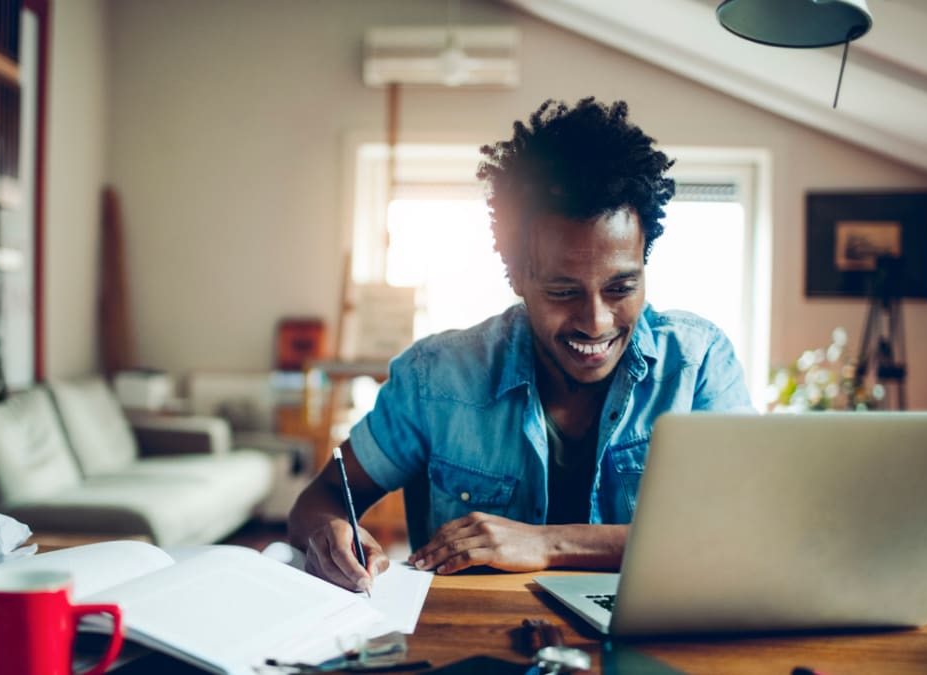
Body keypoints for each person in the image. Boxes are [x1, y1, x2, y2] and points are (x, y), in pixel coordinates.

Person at [288, 97, 753, 593]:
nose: (595, 322)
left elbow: (745, 535)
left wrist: (551, 542)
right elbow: (323, 498)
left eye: (621, 288)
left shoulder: (699, 364)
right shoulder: (437, 377)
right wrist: (332, 535)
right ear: (516, 277)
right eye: (562, 292)